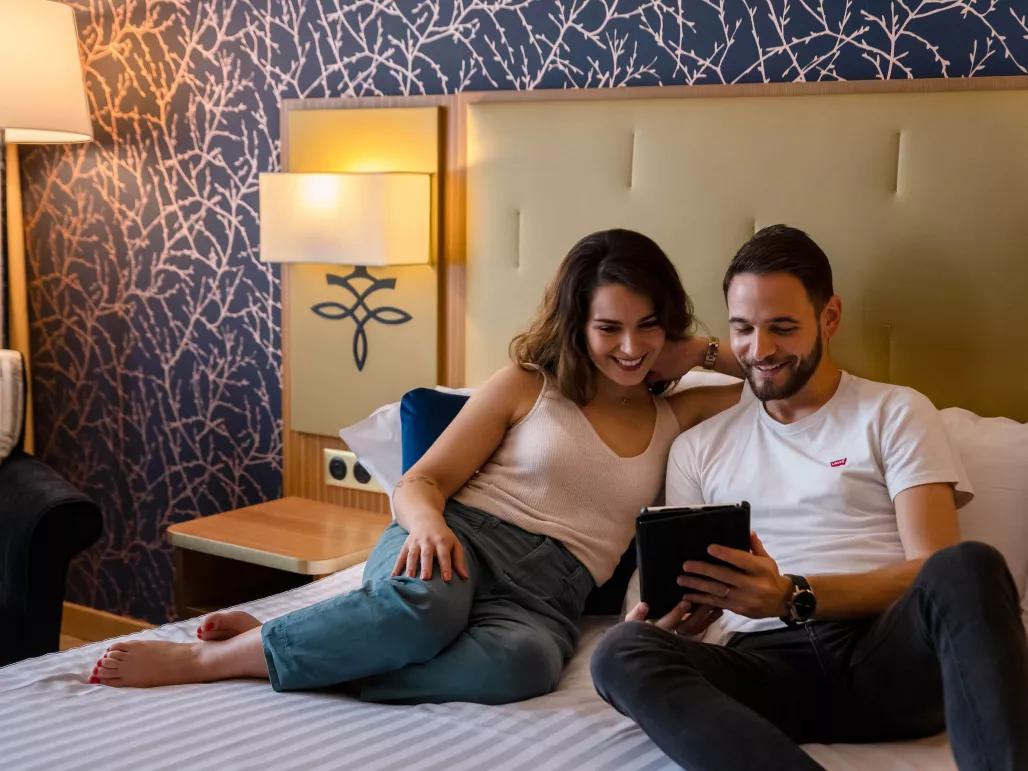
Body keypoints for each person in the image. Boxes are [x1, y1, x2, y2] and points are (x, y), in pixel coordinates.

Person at [88, 228, 744, 703]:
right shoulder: (528, 382)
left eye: (648, 324)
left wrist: (700, 347)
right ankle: (211, 660)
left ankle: (305, 642)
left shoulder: (674, 416)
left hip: (547, 597)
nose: (631, 347)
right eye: (610, 328)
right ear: (577, 324)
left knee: (522, 669)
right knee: (423, 612)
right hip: (459, 541)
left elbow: (776, 382)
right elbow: (421, 480)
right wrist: (429, 526)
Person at [591, 224, 1028, 770]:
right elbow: (694, 603)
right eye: (743, 329)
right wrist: (681, 617)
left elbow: (930, 570)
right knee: (618, 651)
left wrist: (793, 595)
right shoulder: (698, 448)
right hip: (765, 671)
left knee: (969, 566)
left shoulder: (894, 412)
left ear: (830, 318)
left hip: (887, 657)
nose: (761, 349)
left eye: (783, 328)